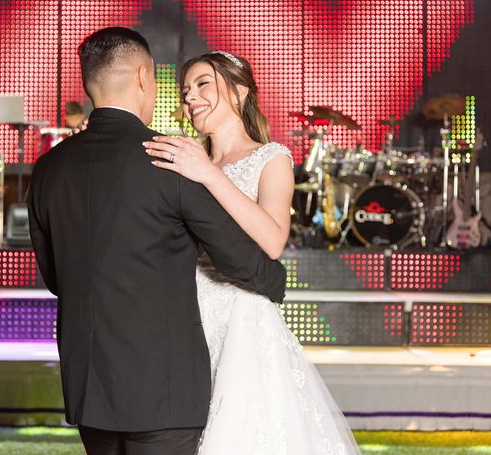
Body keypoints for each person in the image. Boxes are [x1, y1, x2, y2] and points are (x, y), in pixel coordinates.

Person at [28, 27, 286, 455]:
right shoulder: (169, 159)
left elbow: (56, 277)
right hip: (163, 390)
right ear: (145, 77)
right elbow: (243, 260)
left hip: (89, 386)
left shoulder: (49, 167)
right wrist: (275, 282)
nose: (190, 98)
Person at [144, 51, 361, 454]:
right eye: (186, 90)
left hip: (241, 314)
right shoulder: (186, 157)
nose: (190, 97)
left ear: (240, 92)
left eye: (202, 84)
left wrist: (208, 175)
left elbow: (273, 239)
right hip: (185, 312)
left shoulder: (271, 157)